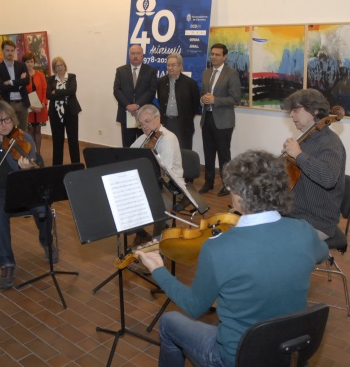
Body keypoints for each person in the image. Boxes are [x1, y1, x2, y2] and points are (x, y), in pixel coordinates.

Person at [136, 150, 329, 367]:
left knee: (170, 322)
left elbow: (194, 306)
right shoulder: (303, 231)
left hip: (237, 357)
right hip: (288, 352)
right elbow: (322, 253)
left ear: (238, 196)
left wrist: (158, 269)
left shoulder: (218, 248)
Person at [0, 101, 57, 290]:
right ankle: (6, 264)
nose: (4, 125)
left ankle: (47, 242)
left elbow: (38, 169)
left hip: (26, 189)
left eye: (6, 119)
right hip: (3, 192)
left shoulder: (24, 138)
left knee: (43, 210)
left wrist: (28, 167)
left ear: (12, 119)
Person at [282, 88, 346, 239]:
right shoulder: (306, 139)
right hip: (293, 211)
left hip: (316, 220)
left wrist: (297, 154)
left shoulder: (330, 143)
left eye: (296, 110)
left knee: (273, 242)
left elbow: (328, 178)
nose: (291, 114)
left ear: (315, 110)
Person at [131, 104, 183, 244]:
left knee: (159, 206)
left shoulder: (168, 138)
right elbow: (128, 153)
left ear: (158, 118)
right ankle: (140, 233)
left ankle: (158, 243)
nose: (144, 127)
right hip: (152, 183)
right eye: (141, 124)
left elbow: (164, 172)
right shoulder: (144, 138)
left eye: (147, 122)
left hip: (170, 187)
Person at [199, 43, 241, 197]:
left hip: (223, 121)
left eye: (217, 55)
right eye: (212, 54)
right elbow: (203, 94)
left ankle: (227, 184)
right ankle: (208, 182)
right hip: (207, 118)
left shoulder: (231, 74)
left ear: (224, 57)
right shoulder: (206, 73)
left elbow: (235, 98)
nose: (214, 57)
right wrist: (203, 99)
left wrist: (215, 99)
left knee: (224, 154)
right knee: (208, 153)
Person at [114, 44, 157, 147]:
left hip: (144, 114)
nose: (135, 56)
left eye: (138, 53)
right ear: (129, 55)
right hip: (126, 113)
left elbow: (151, 91)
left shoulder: (151, 71)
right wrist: (128, 105)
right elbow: (116, 90)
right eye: (133, 53)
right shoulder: (120, 70)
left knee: (144, 145)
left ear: (143, 55)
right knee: (127, 145)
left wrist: (137, 105)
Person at [157, 53, 200, 150]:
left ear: (180, 66)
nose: (170, 68)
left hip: (183, 124)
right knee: (166, 150)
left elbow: (195, 104)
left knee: (183, 151)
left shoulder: (190, 83)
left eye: (173, 65)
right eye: (168, 65)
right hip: (166, 122)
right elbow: (160, 100)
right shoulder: (161, 82)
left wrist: (186, 116)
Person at [46, 56, 82, 165]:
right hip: (55, 114)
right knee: (57, 142)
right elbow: (48, 95)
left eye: (61, 65)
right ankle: (57, 168)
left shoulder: (71, 77)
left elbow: (72, 91)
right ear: (54, 68)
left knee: (73, 141)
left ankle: (76, 166)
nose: (59, 67)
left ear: (65, 66)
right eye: (57, 66)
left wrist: (56, 92)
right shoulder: (51, 79)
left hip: (70, 112)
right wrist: (63, 94)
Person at [0, 40, 30, 132]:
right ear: (3, 51)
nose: (10, 53)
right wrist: (19, 84)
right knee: (8, 131)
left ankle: (21, 147)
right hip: (8, 104)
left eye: (12, 50)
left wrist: (10, 82)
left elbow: (27, 81)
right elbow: (1, 87)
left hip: (22, 103)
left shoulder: (21, 65)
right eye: (7, 50)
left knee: (23, 131)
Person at [22, 52, 48, 155]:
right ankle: (31, 153)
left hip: (40, 108)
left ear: (34, 62)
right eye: (27, 62)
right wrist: (30, 106)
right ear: (24, 63)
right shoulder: (22, 76)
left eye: (31, 61)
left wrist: (43, 103)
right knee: (30, 131)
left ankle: (38, 153)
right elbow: (22, 92)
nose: (29, 64)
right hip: (29, 108)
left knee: (38, 130)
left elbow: (45, 90)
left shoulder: (40, 75)